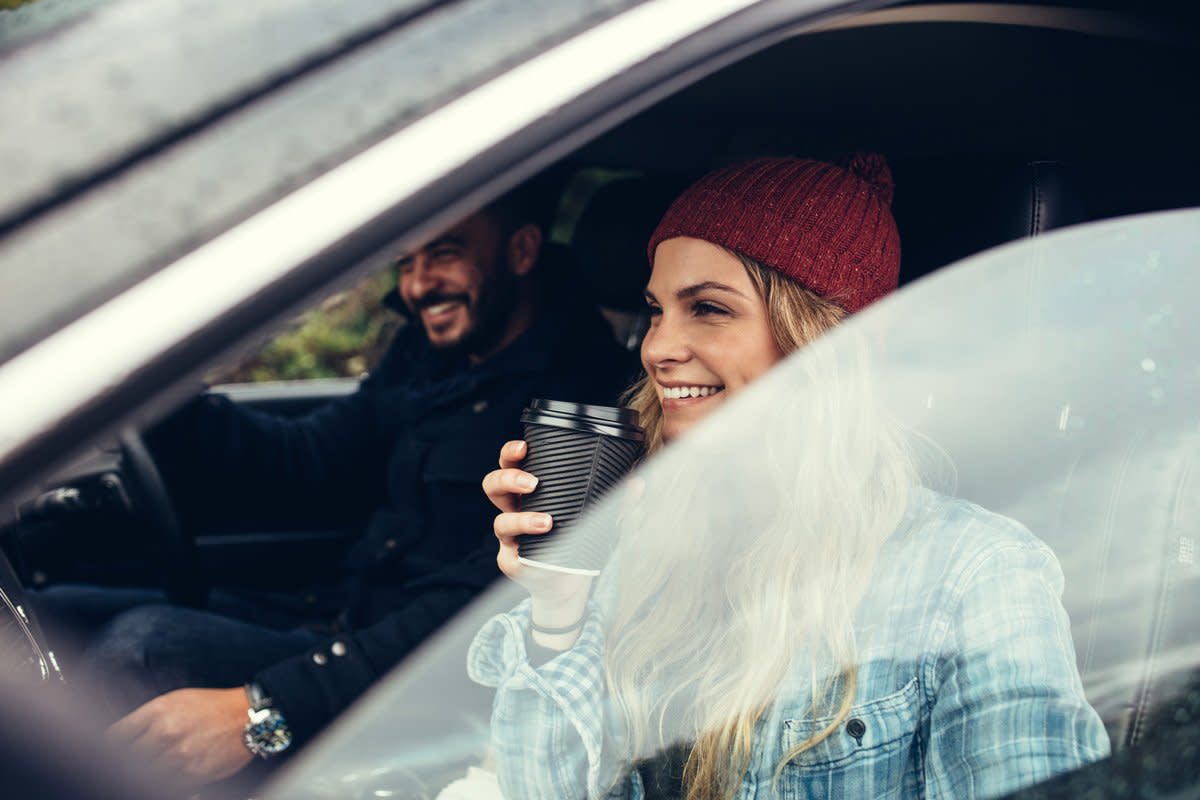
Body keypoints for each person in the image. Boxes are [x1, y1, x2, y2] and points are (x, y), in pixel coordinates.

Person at [468, 156, 1110, 799]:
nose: (657, 346)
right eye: (657, 309)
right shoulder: (635, 535)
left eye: (709, 309)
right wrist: (556, 616)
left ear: (822, 340)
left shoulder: (972, 574)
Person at [35, 184, 634, 785]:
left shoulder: (579, 408)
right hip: (340, 618)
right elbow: (311, 459)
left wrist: (267, 705)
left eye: (445, 253)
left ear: (523, 249)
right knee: (51, 614)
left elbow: (483, 612)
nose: (418, 285)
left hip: (427, 687)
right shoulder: (433, 356)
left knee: (142, 647)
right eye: (406, 262)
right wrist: (155, 395)